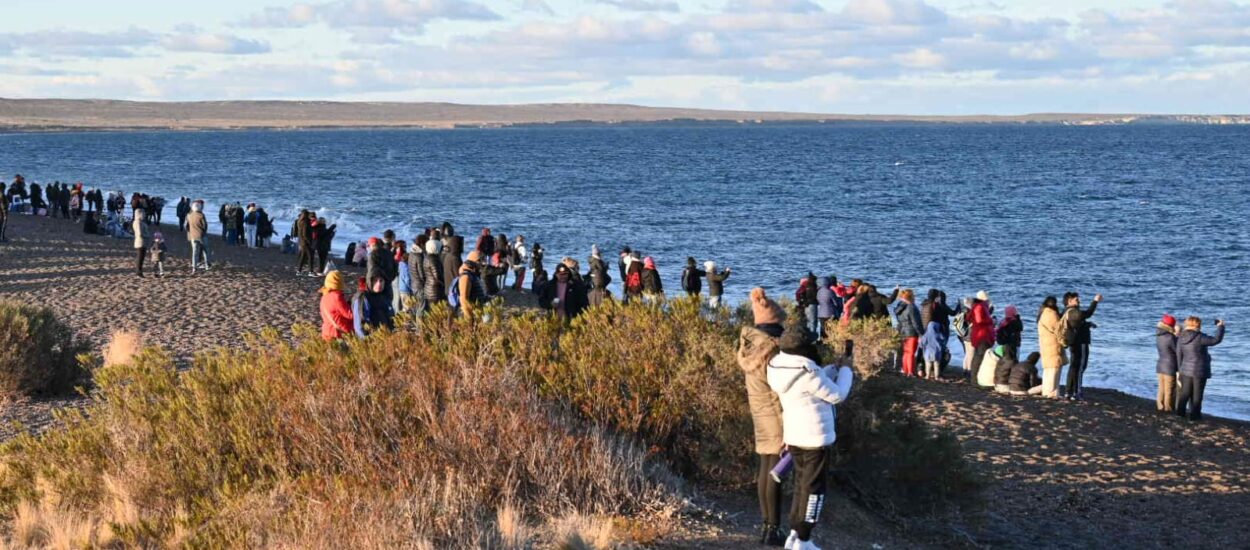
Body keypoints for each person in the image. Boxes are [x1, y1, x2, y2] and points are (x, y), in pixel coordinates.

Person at [767, 325, 854, 550]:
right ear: (802, 348)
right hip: (816, 437)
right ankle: (803, 540)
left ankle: (795, 535)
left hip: (795, 435)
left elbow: (810, 383)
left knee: (801, 485)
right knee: (814, 490)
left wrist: (832, 369)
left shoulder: (777, 366)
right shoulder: (808, 371)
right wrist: (846, 371)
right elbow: (837, 395)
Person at [736, 304, 786, 546]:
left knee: (765, 469)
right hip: (776, 415)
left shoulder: (750, 350)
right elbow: (782, 388)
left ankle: (767, 524)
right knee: (776, 473)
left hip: (760, 414)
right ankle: (773, 528)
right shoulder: (771, 353)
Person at [1176, 317, 1225, 421]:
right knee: (1197, 395)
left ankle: (1180, 414)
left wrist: (1180, 370)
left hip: (1185, 369)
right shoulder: (1200, 337)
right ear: (1197, 325)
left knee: (1185, 393)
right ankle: (1194, 417)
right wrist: (1220, 326)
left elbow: (1179, 355)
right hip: (1200, 370)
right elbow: (1216, 340)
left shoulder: (1181, 337)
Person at [1062, 292, 1102, 400]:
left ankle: (1068, 392)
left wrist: (1088, 324)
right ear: (1069, 301)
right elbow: (1088, 313)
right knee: (1080, 367)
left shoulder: (1066, 312)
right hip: (1080, 342)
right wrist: (1095, 301)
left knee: (1074, 366)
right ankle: (1077, 392)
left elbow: (1077, 324)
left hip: (1073, 342)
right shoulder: (1073, 312)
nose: (1079, 301)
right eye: (1076, 300)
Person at [1036, 296, 1065, 399]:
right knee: (1054, 369)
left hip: (1045, 345)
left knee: (1048, 370)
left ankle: (1047, 391)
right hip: (1052, 345)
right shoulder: (1051, 314)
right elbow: (1058, 329)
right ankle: (1052, 393)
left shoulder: (1043, 313)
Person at [967, 291, 995, 384]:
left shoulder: (978, 306)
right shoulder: (980, 307)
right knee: (979, 357)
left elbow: (972, 319)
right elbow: (979, 320)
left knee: (979, 356)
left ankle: (975, 378)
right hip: (982, 335)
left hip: (980, 334)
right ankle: (975, 379)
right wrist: (991, 321)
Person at [895, 289, 924, 377]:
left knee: (906, 352)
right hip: (911, 332)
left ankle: (905, 370)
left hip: (903, 331)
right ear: (911, 297)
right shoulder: (911, 307)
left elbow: (899, 321)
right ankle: (910, 372)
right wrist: (921, 334)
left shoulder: (899, 307)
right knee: (911, 353)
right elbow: (916, 322)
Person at [319, 271, 354, 341]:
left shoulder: (324, 296)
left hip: (327, 330)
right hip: (337, 332)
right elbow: (350, 315)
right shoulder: (337, 297)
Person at [453, 250, 488, 320]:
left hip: (477, 310)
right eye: (480, 261)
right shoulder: (466, 276)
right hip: (472, 313)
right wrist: (469, 317)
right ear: (474, 261)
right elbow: (463, 299)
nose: (483, 264)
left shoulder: (473, 274)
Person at [1155, 314, 1180, 412]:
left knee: (1161, 388)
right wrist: (1176, 336)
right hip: (1169, 366)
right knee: (1169, 389)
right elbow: (1176, 350)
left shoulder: (1159, 335)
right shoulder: (1170, 337)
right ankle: (1168, 408)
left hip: (1160, 365)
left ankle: (1160, 406)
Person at [186, 200, 210, 273]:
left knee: (195, 252)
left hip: (193, 236)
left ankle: (194, 267)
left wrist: (190, 232)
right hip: (201, 235)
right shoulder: (201, 215)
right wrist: (203, 232)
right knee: (205, 251)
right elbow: (205, 226)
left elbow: (186, 226)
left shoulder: (189, 215)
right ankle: (207, 265)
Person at [422, 239, 446, 310]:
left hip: (429, 289)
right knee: (438, 312)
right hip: (435, 291)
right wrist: (445, 284)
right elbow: (437, 276)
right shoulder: (434, 259)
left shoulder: (427, 257)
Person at [393, 241, 412, 314]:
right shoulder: (405, 267)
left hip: (401, 287)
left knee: (403, 305)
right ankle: (405, 322)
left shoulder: (401, 265)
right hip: (405, 289)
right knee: (407, 307)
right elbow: (407, 279)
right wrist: (411, 287)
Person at [294, 210, 315, 276]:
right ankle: (310, 272)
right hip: (306, 242)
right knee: (310, 257)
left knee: (303, 257)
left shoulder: (299, 221)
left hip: (301, 241)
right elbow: (305, 234)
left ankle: (299, 271)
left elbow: (300, 233)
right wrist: (309, 242)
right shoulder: (306, 223)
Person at [133, 208, 150, 277]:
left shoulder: (139, 222)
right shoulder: (138, 222)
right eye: (143, 213)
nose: (144, 215)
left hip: (142, 241)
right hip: (140, 242)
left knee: (141, 257)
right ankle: (138, 272)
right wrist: (147, 235)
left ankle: (139, 271)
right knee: (140, 258)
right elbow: (139, 233)